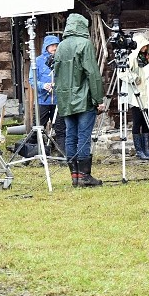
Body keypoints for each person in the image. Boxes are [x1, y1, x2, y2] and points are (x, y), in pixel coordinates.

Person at [53, 13, 106, 187]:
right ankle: (85, 176)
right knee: (84, 136)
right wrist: (98, 99)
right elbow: (93, 73)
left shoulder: (60, 46)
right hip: (83, 99)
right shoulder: (85, 44)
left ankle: (74, 176)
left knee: (70, 136)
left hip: (65, 99)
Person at [31, 34, 66, 154]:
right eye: (51, 45)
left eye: (56, 45)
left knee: (61, 129)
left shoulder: (62, 60)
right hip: (43, 100)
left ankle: (63, 155)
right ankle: (32, 153)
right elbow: (32, 80)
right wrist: (43, 85)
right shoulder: (38, 61)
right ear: (46, 47)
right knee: (38, 128)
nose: (54, 48)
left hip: (58, 101)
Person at [125, 45, 149, 160]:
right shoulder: (132, 58)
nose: (146, 48)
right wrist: (134, 78)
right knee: (137, 122)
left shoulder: (146, 58)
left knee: (146, 123)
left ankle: (147, 149)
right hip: (136, 94)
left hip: (147, 94)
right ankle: (139, 150)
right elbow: (124, 73)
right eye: (144, 46)